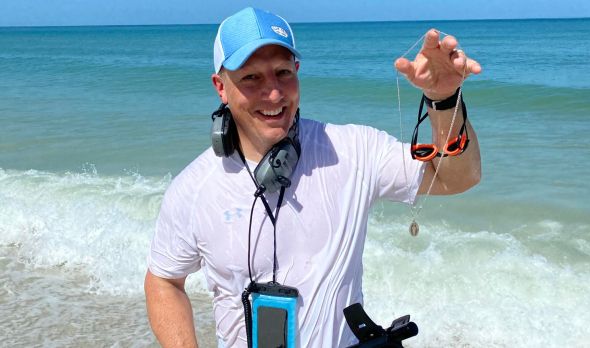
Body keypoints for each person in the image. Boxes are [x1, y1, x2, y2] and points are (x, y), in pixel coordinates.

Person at [144, 7, 482, 348]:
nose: (274, 93)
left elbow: (456, 178)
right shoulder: (194, 187)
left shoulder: (353, 151)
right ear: (221, 87)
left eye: (283, 73)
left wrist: (443, 100)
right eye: (251, 78)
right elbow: (163, 280)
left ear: (298, 72)